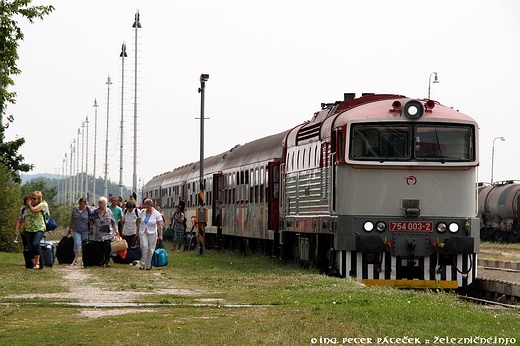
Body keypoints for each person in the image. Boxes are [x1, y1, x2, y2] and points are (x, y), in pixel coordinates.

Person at [24, 191, 49, 269]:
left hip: (39, 228)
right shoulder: (28, 206)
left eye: (34, 198)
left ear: (39, 199)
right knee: (30, 247)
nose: (32, 200)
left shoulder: (42, 205)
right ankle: (34, 263)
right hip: (29, 229)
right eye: (31, 198)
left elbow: (33, 210)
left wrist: (30, 205)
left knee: (35, 243)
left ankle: (37, 262)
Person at [90, 196, 118, 267]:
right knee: (99, 248)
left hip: (107, 233)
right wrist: (91, 229)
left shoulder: (109, 212)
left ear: (105, 204)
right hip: (98, 233)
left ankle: (107, 261)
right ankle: (100, 261)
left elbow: (113, 222)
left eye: (101, 203)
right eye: (99, 203)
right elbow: (91, 222)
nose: (100, 204)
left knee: (107, 247)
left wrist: (116, 230)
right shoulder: (95, 212)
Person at [138, 198, 163, 270]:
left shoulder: (157, 214)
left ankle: (148, 264)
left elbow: (159, 225)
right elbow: (139, 222)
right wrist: (137, 231)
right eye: (145, 206)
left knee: (151, 249)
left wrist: (160, 235)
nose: (146, 208)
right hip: (143, 231)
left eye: (147, 207)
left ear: (151, 206)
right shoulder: (142, 212)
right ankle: (142, 263)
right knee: (144, 246)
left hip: (152, 232)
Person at [67, 197, 91, 265]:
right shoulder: (75, 209)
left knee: (84, 245)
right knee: (77, 243)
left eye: (83, 204)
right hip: (76, 230)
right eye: (81, 204)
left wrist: (91, 229)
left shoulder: (88, 210)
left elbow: (91, 220)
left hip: (85, 230)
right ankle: (76, 258)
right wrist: (69, 228)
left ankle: (84, 259)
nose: (82, 205)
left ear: (85, 204)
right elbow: (72, 219)